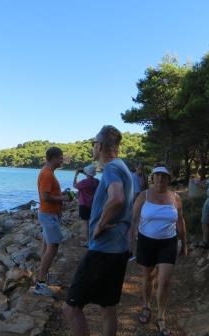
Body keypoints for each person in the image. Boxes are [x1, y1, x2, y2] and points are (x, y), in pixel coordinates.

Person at [63, 125, 133, 336]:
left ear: (100, 146)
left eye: (94, 143)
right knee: (108, 308)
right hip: (119, 249)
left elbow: (117, 198)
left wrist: (101, 224)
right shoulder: (123, 167)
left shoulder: (111, 168)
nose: (92, 147)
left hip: (104, 250)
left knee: (71, 308)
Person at [130, 166, 188, 335]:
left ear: (169, 179)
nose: (161, 179)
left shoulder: (176, 197)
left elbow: (181, 221)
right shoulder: (144, 196)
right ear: (152, 178)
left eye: (164, 176)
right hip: (146, 241)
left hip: (168, 243)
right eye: (158, 175)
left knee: (164, 282)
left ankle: (161, 316)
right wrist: (131, 243)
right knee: (148, 276)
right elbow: (133, 221)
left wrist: (184, 243)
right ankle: (146, 306)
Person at [34, 146, 70, 297]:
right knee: (53, 247)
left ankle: (44, 276)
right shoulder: (47, 174)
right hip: (48, 215)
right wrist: (62, 198)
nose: (62, 160)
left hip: (48, 214)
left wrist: (60, 194)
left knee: (46, 246)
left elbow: (49, 194)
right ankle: (40, 283)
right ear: (54, 158)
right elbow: (45, 197)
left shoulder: (47, 172)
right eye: (61, 157)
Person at [73, 164, 99, 247]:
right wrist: (85, 173)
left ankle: (87, 242)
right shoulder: (97, 181)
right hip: (93, 205)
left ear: (87, 173)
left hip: (84, 205)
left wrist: (76, 175)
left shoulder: (84, 182)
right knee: (92, 223)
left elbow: (74, 185)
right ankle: (93, 239)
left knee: (85, 223)